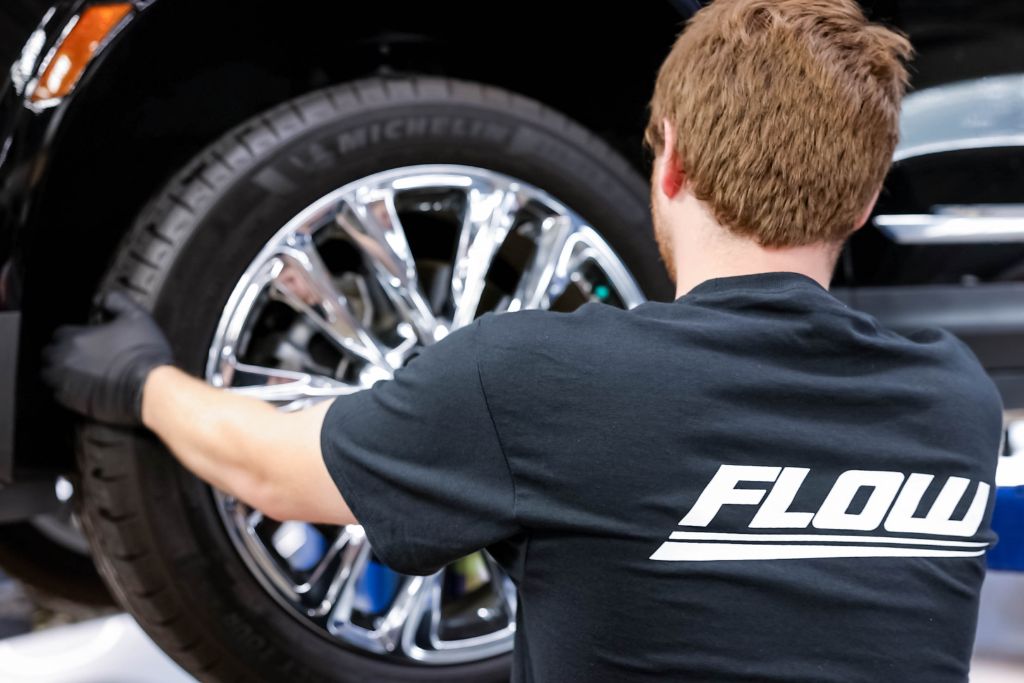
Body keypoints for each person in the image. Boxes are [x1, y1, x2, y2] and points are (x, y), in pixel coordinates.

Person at [42, 1, 1004, 680]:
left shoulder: (540, 380)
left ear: (668, 160)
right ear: (867, 197)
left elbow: (274, 471)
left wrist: (139, 380)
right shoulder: (957, 402)